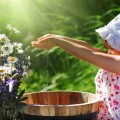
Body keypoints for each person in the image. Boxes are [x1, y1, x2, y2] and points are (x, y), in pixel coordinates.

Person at [31, 14, 120, 120]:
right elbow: (90, 49)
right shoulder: (112, 58)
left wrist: (58, 42)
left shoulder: (117, 63)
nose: (108, 51)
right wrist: (59, 38)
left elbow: (91, 55)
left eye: (113, 46)